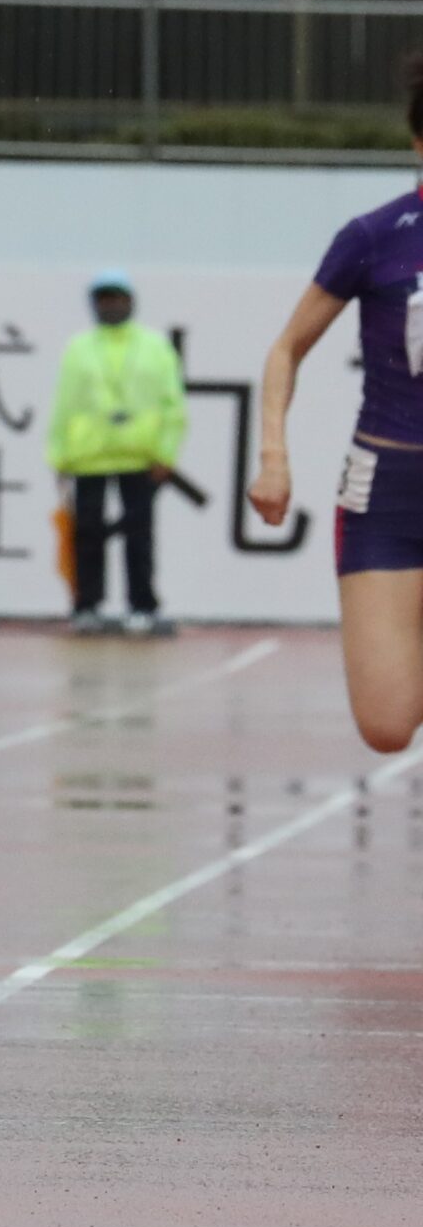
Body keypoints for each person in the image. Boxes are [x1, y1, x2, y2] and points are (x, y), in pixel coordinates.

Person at [251, 54, 423, 752]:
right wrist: (273, 456)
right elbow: (284, 348)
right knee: (386, 724)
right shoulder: (374, 238)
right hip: (388, 487)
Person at [48, 268, 187, 636]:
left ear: (131, 302)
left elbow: (173, 405)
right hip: (87, 456)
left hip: (139, 453)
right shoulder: (79, 347)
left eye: (117, 298)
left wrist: (166, 453)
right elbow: (64, 403)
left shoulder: (154, 346)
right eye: (104, 299)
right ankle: (87, 605)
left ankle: (142, 605)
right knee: (87, 534)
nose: (110, 306)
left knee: (139, 535)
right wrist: (58, 455)